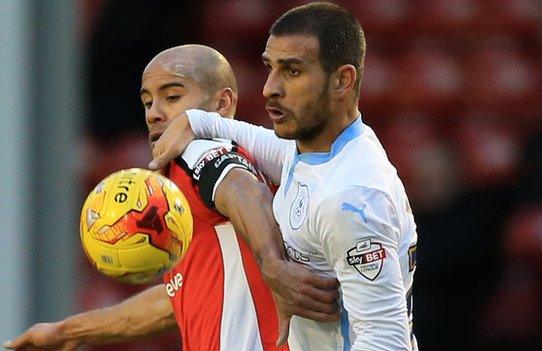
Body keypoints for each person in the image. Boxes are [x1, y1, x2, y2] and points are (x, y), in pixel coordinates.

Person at [3, 44, 340, 351]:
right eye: (148, 101)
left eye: (172, 97)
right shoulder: (182, 197)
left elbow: (243, 188)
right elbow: (179, 297)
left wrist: (274, 266)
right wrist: (69, 331)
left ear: (222, 104)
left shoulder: (198, 150)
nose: (154, 113)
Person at [149, 3, 419, 350]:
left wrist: (272, 266)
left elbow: (385, 341)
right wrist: (197, 121)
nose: (269, 88)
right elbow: (268, 145)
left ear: (342, 80)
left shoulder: (350, 201)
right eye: (269, 68)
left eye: (292, 72)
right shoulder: (324, 149)